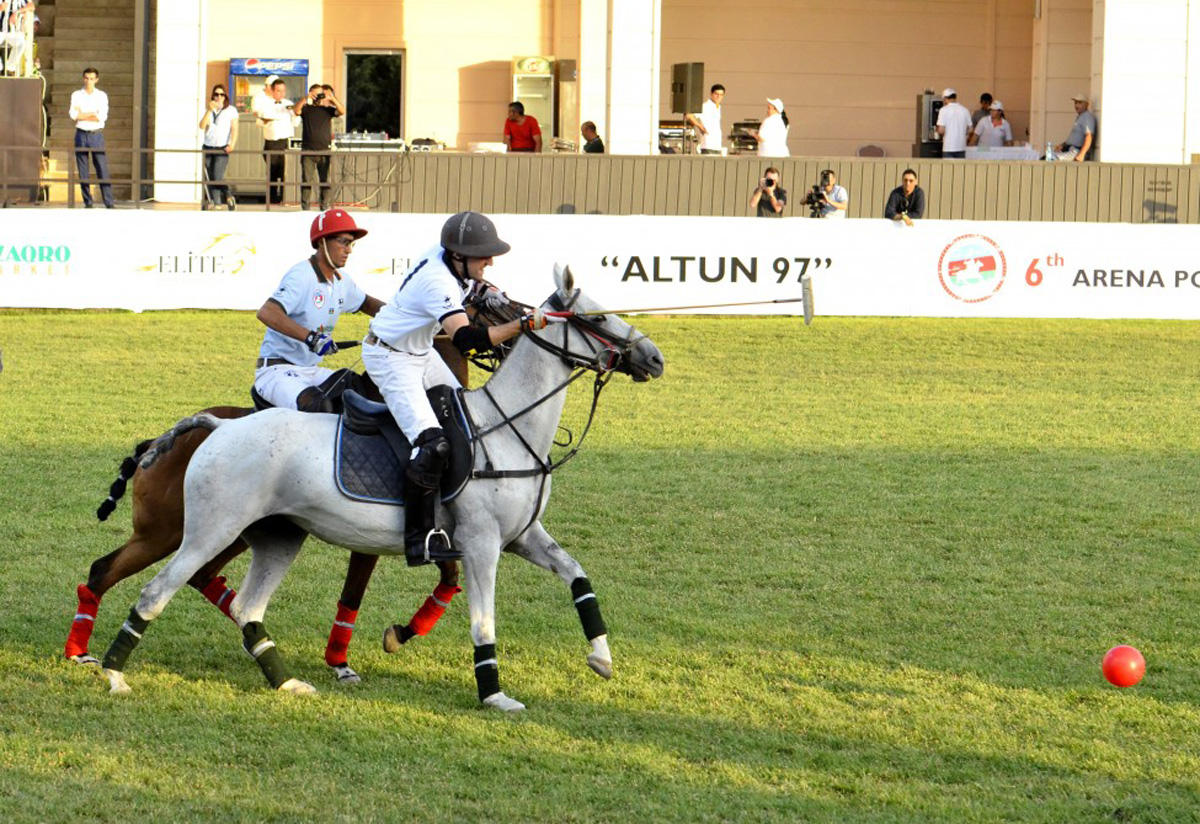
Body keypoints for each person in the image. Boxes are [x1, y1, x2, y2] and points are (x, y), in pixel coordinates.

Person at [362, 211, 559, 566]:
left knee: (465, 416)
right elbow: (467, 341)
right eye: (483, 254)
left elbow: (475, 290)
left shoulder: (447, 259)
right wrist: (523, 324)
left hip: (419, 351)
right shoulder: (438, 281)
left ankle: (464, 503)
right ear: (458, 256)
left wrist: (491, 292)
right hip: (391, 359)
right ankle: (420, 537)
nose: (491, 260)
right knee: (432, 443)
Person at [253, 208, 384, 413]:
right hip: (277, 371)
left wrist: (404, 317)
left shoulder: (341, 281)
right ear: (322, 242)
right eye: (343, 242)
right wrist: (312, 338)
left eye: (351, 243)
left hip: (310, 370)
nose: (349, 250)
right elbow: (267, 312)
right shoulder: (301, 275)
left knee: (359, 391)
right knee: (317, 406)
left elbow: (368, 304)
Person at [69, 66, 113, 208]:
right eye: (87, 78)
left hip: (96, 134)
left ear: (97, 80)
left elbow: (101, 117)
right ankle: (88, 202)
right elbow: (73, 115)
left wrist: (83, 115)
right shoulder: (76, 95)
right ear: (83, 79)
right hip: (81, 134)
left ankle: (109, 202)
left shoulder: (102, 96)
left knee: (102, 168)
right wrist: (91, 114)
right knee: (83, 171)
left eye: (92, 79)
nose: (89, 81)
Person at [295, 83, 343, 211]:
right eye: (316, 94)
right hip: (308, 151)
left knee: (325, 180)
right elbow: (296, 111)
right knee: (306, 180)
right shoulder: (306, 109)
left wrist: (332, 98)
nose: (318, 97)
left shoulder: (327, 110)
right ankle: (305, 207)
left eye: (320, 94)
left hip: (324, 151)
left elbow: (342, 111)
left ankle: (324, 207)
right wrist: (306, 97)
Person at [198, 83, 238, 210]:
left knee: (217, 175)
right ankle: (217, 203)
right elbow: (202, 126)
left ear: (225, 96)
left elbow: (234, 129)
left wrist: (232, 144)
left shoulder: (231, 110)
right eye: (216, 94)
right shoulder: (208, 110)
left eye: (221, 94)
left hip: (222, 147)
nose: (219, 97)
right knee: (210, 176)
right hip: (209, 145)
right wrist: (209, 110)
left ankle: (228, 194)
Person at [260, 78, 295, 205]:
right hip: (272, 142)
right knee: (272, 174)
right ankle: (272, 201)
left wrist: (295, 114)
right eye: (278, 91)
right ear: (273, 91)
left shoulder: (289, 104)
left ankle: (286, 199)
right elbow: (261, 120)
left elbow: (296, 121)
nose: (281, 94)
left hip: (285, 142)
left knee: (286, 173)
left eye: (283, 91)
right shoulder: (266, 104)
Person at [1053, 93, 1097, 162]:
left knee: (1052, 159)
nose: (1076, 105)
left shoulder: (1087, 117)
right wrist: (1062, 145)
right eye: (1075, 103)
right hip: (1069, 149)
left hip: (1076, 152)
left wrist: (1082, 154)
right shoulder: (1080, 117)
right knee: (1046, 157)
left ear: (1086, 104)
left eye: (1079, 103)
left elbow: (1089, 137)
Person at [685, 84, 725, 155]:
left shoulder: (718, 107)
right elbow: (689, 115)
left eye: (721, 95)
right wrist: (700, 126)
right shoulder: (706, 106)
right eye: (716, 94)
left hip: (717, 145)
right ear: (711, 94)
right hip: (708, 144)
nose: (719, 97)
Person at [0, 0, 34, 77]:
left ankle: (10, 68)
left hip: (13, 30)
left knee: (21, 44)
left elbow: (31, 6)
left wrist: (17, 12)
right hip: (0, 30)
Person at [935, 88, 972, 158]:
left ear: (945, 98)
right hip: (961, 146)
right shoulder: (965, 110)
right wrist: (963, 134)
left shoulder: (943, 110)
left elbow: (941, 130)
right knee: (960, 168)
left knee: (948, 168)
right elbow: (970, 129)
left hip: (948, 147)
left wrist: (937, 130)